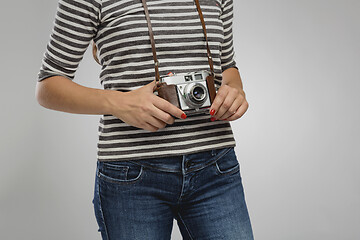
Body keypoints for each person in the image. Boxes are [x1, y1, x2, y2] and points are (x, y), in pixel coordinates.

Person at [35, 0, 254, 239]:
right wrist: (118, 102)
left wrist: (234, 91)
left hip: (216, 165)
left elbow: (227, 65)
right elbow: (48, 86)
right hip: (132, 174)